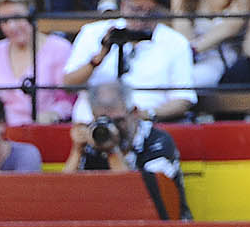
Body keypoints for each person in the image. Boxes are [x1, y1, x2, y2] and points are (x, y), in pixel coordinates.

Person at [61, 0, 196, 122]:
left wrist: (147, 114)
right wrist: (100, 57)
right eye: (136, 9)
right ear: (123, 5)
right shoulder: (93, 32)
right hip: (93, 124)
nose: (141, 17)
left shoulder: (176, 42)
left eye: (151, 13)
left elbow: (183, 99)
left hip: (147, 126)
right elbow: (68, 84)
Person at [61, 79, 191, 215]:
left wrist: (112, 151)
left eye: (118, 121)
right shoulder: (94, 138)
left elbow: (144, 203)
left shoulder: (157, 141)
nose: (113, 127)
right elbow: (62, 198)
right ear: (94, 116)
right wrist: (77, 151)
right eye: (103, 120)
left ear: (134, 113)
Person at [170, 0, 250, 91]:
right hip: (184, 54)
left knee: (189, 82)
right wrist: (187, 53)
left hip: (220, 56)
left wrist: (194, 49)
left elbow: (232, 26)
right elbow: (180, 23)